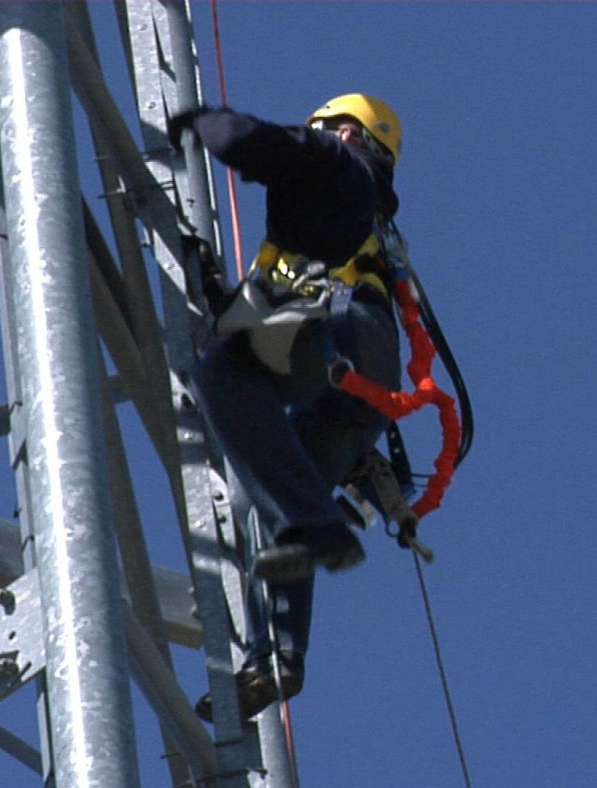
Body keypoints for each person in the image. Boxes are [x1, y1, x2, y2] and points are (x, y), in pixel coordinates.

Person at [168, 94, 406, 722]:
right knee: (270, 502)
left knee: (223, 376)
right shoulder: (366, 212)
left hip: (338, 335)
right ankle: (278, 658)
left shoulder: (339, 164)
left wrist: (207, 125)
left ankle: (316, 528)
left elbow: (284, 151)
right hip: (364, 383)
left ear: (347, 130)